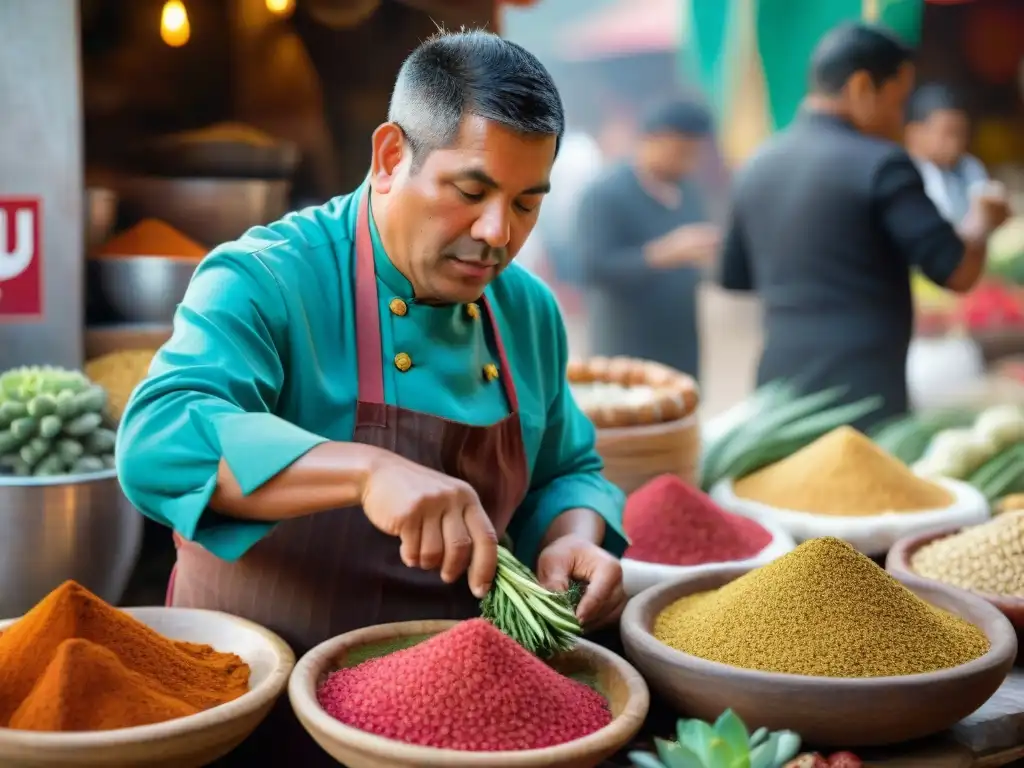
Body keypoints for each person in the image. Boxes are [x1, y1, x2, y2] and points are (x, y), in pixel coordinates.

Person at [116, 30, 626, 762]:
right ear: (391, 157)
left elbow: (569, 468)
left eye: (525, 204)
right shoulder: (267, 278)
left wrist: (571, 536)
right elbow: (159, 439)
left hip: (449, 728)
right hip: (258, 718)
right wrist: (365, 470)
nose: (497, 234)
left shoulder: (527, 311)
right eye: (472, 192)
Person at [717, 23, 1010, 430]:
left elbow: (735, 278)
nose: (898, 120)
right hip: (860, 396)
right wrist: (982, 220)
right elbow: (956, 270)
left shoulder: (757, 164)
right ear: (861, 88)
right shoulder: (882, 164)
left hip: (778, 393)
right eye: (897, 101)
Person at [576, 99, 719, 380]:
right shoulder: (605, 194)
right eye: (680, 152)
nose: (687, 163)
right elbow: (593, 268)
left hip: (681, 342)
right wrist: (663, 253)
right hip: (626, 348)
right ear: (649, 139)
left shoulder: (689, 192)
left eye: (693, 154)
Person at [905, 83, 989, 225]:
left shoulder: (969, 167)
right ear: (914, 133)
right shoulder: (904, 173)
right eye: (947, 133)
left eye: (960, 133)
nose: (955, 143)